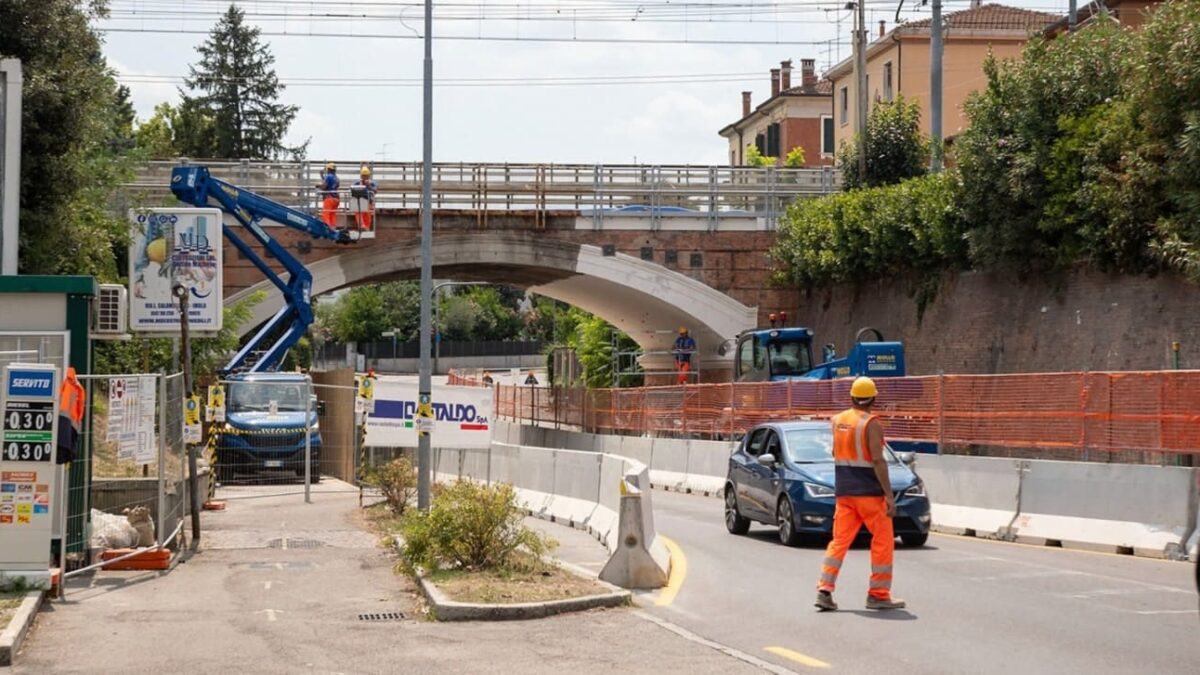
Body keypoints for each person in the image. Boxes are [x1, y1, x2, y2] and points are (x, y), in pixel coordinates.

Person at [815, 376, 906, 611]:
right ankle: (878, 594)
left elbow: (837, 452)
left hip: (845, 492)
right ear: (873, 398)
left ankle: (824, 590)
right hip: (869, 494)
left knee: (839, 542)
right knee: (883, 541)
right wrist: (888, 495)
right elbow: (877, 459)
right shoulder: (871, 423)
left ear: (852, 397)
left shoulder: (837, 420)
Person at [352, 166, 378, 232]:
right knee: (358, 212)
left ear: (369, 176)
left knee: (367, 215)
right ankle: (362, 226)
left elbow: (375, 191)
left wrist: (369, 186)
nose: (365, 177)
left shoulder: (372, 183)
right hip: (359, 201)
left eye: (366, 176)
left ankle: (366, 228)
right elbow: (351, 189)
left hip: (368, 201)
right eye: (363, 176)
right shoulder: (357, 183)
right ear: (361, 176)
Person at [317, 162, 340, 227]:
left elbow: (324, 186)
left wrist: (318, 186)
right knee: (332, 214)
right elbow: (330, 184)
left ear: (329, 169)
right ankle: (333, 229)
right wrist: (322, 176)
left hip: (329, 198)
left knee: (326, 214)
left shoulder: (328, 176)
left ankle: (327, 230)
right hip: (336, 198)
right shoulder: (337, 178)